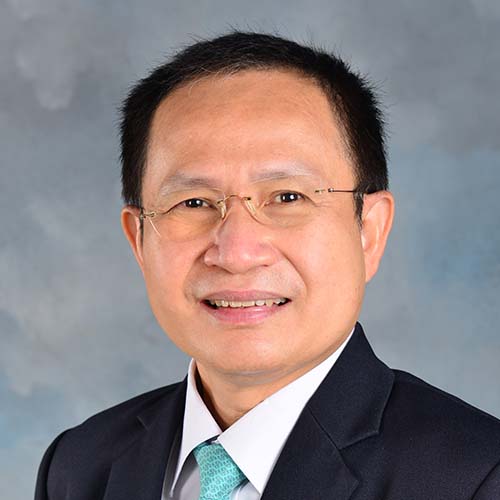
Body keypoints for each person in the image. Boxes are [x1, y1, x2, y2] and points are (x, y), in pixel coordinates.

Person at [35, 31, 500, 500]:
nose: (237, 252)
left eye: (287, 197)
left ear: (369, 231)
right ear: (139, 239)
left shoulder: (477, 478)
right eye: (193, 202)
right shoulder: (78, 466)